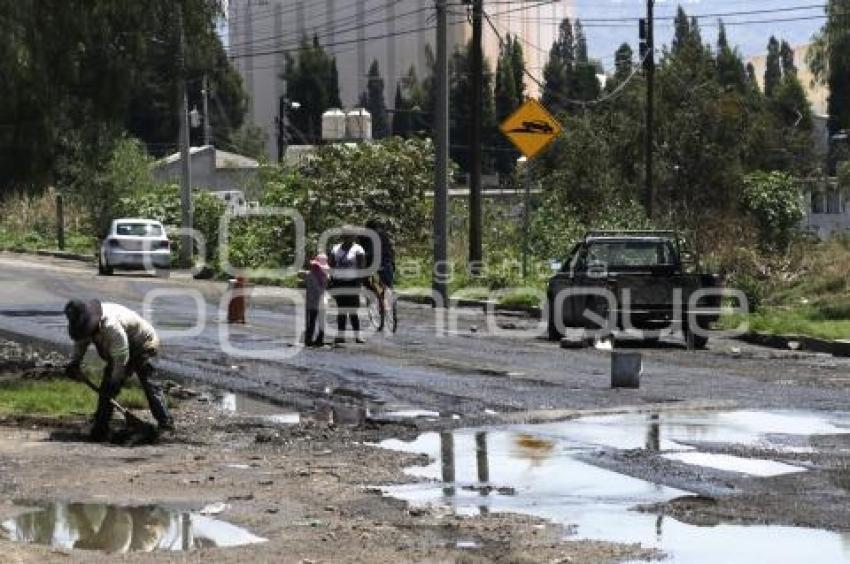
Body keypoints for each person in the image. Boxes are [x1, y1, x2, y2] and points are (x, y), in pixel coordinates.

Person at [64, 299, 173, 441]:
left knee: (148, 383)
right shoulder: (84, 325)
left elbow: (120, 359)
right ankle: (101, 426)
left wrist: (115, 381)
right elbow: (80, 344)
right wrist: (74, 363)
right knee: (106, 387)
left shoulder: (111, 326)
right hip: (120, 348)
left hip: (143, 343)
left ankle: (166, 424)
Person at [329, 229, 366, 344]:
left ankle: (358, 336)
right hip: (339, 283)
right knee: (341, 310)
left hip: (352, 283)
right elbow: (332, 266)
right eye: (346, 236)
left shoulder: (358, 249)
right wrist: (331, 281)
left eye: (351, 236)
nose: (349, 238)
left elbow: (361, 267)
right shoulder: (336, 249)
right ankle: (341, 336)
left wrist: (359, 283)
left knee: (353, 310)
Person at [304, 253, 330, 347]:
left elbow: (306, 283)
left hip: (314, 300)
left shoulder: (310, 275)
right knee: (319, 320)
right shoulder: (325, 276)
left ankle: (309, 338)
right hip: (321, 299)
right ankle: (318, 339)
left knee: (312, 320)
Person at [363, 218, 396, 290]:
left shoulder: (370, 236)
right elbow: (391, 251)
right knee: (387, 290)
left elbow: (370, 253)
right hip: (386, 265)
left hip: (377, 267)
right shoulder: (384, 235)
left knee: (373, 291)